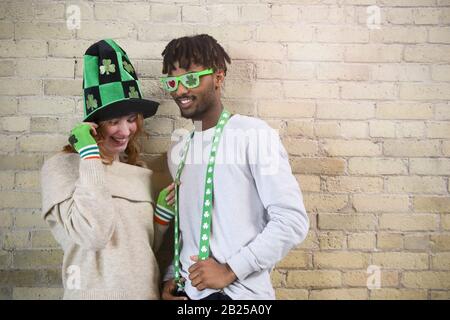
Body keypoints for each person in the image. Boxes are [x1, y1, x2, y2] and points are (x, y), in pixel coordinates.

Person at [158, 34, 309, 300]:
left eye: (191, 78)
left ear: (218, 77)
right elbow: (187, 230)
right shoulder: (179, 150)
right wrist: (172, 276)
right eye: (173, 81)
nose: (180, 90)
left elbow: (292, 221)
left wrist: (230, 269)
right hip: (188, 295)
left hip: (240, 295)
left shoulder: (254, 135)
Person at [41, 39, 174, 299]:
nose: (125, 132)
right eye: (114, 121)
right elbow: (94, 235)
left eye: (131, 119)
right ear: (94, 124)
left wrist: (160, 220)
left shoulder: (140, 172)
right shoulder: (61, 168)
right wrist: (90, 155)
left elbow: (140, 251)